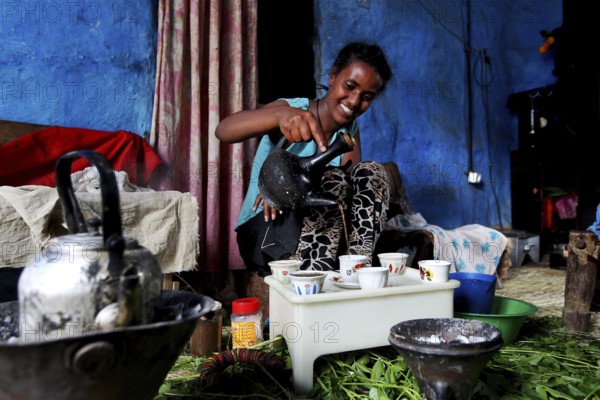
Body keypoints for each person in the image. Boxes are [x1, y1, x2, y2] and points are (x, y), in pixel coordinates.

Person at [216, 41, 393, 288]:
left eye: (366, 97)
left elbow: (352, 193)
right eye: (350, 86)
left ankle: (357, 267)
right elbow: (224, 130)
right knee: (334, 180)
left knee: (372, 173)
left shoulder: (350, 130)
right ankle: (310, 282)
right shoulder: (292, 109)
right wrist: (280, 117)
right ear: (333, 76)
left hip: (313, 234)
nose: (354, 101)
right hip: (266, 227)